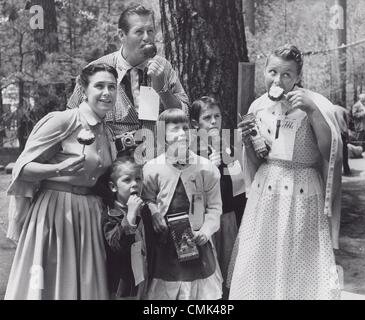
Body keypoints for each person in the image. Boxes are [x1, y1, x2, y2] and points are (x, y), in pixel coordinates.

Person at [228, 45, 343, 300]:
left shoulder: (314, 103)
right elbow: (255, 156)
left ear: (298, 77)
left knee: (300, 254)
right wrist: (248, 142)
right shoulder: (257, 106)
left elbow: (329, 151)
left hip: (302, 189)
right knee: (263, 253)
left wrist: (312, 111)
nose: (277, 80)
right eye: (272, 72)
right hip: (267, 189)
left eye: (287, 74)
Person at [5, 63, 118, 299]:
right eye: (100, 86)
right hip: (55, 214)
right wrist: (58, 168)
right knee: (54, 282)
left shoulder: (106, 132)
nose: (107, 92)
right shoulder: (64, 120)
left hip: (89, 215)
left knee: (87, 284)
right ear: (83, 89)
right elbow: (22, 168)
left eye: (112, 87)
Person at [67, 2, 189, 155]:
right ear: (121, 35)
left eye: (150, 31)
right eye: (139, 32)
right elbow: (71, 118)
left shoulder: (163, 67)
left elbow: (185, 115)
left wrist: (162, 89)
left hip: (158, 162)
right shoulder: (95, 70)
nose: (147, 38)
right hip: (114, 167)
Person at [142, 108, 223, 300]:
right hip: (166, 247)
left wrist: (205, 231)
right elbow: (147, 198)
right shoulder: (152, 168)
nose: (181, 134)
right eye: (174, 129)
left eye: (185, 128)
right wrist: (154, 212)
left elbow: (215, 208)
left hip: (197, 242)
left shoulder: (207, 168)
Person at [190, 96, 246, 298]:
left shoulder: (230, 146)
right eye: (207, 117)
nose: (214, 121)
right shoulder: (192, 152)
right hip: (204, 221)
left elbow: (239, 189)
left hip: (228, 217)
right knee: (207, 270)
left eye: (217, 116)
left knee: (228, 265)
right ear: (195, 123)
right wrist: (210, 168)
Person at [102, 156, 154, 299]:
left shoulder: (144, 211)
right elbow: (116, 245)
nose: (135, 184)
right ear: (113, 187)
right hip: (124, 286)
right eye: (127, 180)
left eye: (138, 179)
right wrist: (130, 215)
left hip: (145, 277)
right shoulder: (110, 215)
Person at [334, 105, 352, 175]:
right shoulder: (344, 110)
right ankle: (346, 170)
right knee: (344, 151)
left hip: (332, 131)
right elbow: (347, 123)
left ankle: (334, 171)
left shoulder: (329, 107)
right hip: (341, 132)